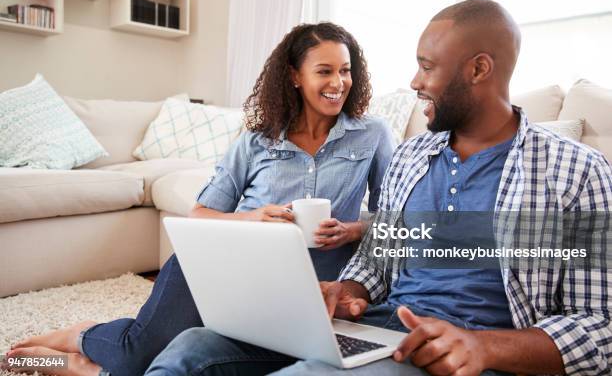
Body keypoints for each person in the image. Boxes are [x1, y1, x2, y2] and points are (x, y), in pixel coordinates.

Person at [144, 0, 612, 376]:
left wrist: (483, 347)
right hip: (384, 325)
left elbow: (601, 327)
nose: (414, 82)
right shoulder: (412, 157)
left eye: (427, 67)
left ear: (479, 69)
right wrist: (346, 290)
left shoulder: (576, 171)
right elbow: (377, 260)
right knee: (192, 350)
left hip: (461, 351)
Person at [5, 22, 395, 376]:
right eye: (324, 71)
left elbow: (396, 219)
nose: (338, 82)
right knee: (134, 355)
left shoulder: (372, 134)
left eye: (345, 70)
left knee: (170, 365)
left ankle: (82, 368)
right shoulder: (257, 142)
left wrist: (353, 230)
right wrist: (253, 218)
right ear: (295, 76)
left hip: (303, 287)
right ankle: (82, 337)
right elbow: (199, 214)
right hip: (223, 267)